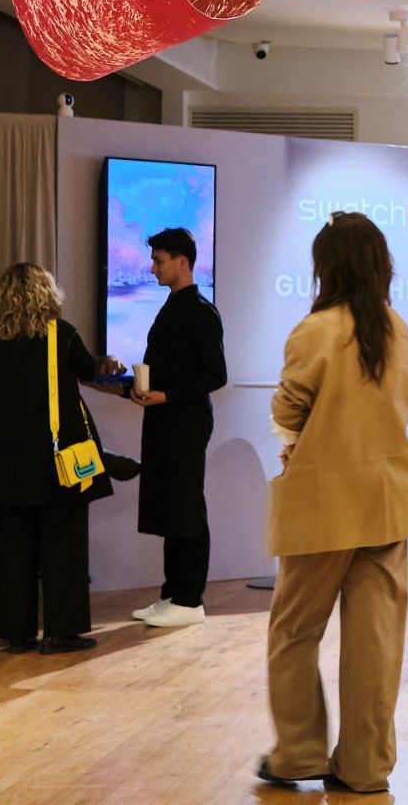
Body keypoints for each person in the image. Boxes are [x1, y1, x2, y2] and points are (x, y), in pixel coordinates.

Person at [257, 212, 408, 796]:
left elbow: (288, 408)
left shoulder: (316, 329)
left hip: (322, 504)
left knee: (294, 632)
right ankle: (366, 766)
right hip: (389, 502)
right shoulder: (398, 330)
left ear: (327, 266)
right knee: (375, 641)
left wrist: (294, 443)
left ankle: (298, 752)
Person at [0, 263, 112, 654]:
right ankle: (61, 632)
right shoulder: (61, 335)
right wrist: (109, 362)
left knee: (12, 550)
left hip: (3, 464)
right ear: (47, 295)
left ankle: (16, 634)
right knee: (63, 547)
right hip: (56, 464)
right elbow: (89, 371)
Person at [115, 227, 227, 628]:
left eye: (159, 261)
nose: (152, 268)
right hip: (166, 419)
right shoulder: (173, 306)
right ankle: (172, 594)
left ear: (183, 262)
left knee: (186, 504)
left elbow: (216, 375)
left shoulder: (200, 310)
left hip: (186, 421)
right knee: (170, 505)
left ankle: (190, 599)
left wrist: (167, 395)